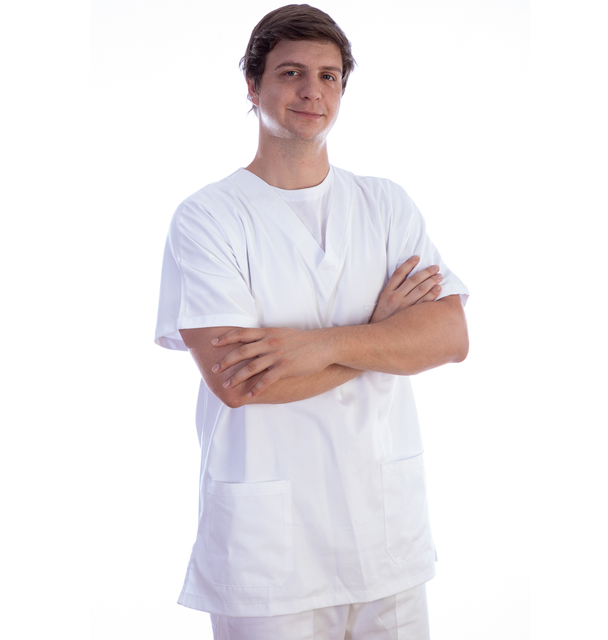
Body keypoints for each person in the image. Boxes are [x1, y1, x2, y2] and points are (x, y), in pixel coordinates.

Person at [154, 4, 469, 638]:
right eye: (291, 72)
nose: (312, 91)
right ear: (253, 85)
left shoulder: (385, 204)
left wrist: (316, 347)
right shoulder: (209, 218)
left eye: (329, 76)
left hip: (385, 537)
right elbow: (241, 382)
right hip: (270, 551)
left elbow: (450, 336)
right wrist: (383, 335)